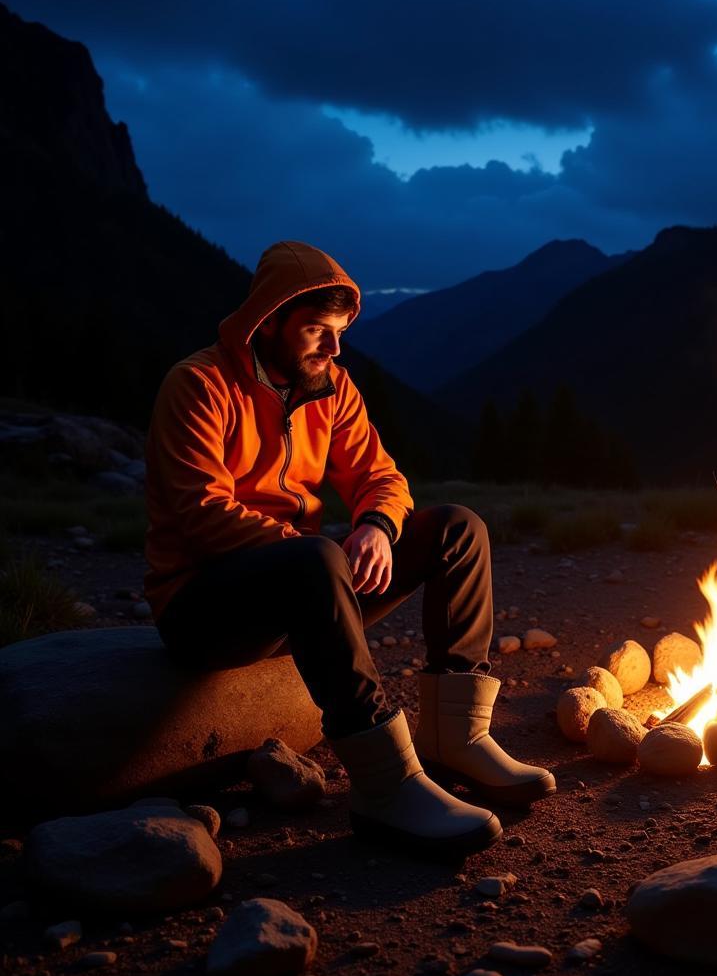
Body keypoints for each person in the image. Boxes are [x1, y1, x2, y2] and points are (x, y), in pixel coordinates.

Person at [144, 240, 555, 854]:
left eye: (339, 331)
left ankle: (456, 739)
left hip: (307, 590)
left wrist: (376, 527)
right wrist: (319, 556)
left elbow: (383, 478)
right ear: (269, 320)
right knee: (315, 559)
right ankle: (386, 787)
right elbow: (203, 514)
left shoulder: (330, 386)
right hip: (206, 606)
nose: (333, 347)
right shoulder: (198, 384)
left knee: (456, 526)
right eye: (316, 329)